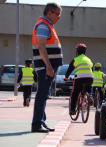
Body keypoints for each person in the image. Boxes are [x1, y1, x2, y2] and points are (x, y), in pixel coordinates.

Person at [31, 3, 63, 133]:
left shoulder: (47, 25)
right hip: (45, 67)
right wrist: (49, 67)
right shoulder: (43, 25)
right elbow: (41, 47)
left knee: (43, 95)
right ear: (49, 12)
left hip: (47, 67)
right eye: (57, 13)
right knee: (42, 94)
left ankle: (41, 121)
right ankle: (37, 124)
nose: (59, 17)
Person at [64, 43, 93, 115]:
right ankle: (90, 96)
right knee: (88, 88)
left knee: (75, 93)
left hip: (79, 78)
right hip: (90, 78)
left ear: (77, 51)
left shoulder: (75, 59)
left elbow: (69, 69)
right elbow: (92, 68)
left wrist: (66, 77)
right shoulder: (89, 59)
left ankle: (73, 110)